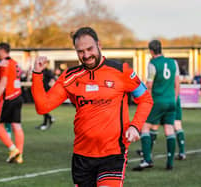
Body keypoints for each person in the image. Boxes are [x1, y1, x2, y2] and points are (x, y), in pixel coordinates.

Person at [32, 27, 153, 187]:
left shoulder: (121, 71)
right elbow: (43, 107)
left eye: (90, 49)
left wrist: (136, 126)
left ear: (99, 45)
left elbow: (145, 98)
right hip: (82, 156)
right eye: (80, 51)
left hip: (113, 153)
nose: (86, 55)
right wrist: (37, 73)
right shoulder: (69, 77)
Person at [133, 40, 180, 171]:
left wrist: (144, 101)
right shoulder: (173, 62)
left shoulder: (152, 64)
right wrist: (174, 99)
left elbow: (149, 85)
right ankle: (170, 162)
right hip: (171, 101)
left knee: (144, 127)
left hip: (158, 101)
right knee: (169, 129)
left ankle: (147, 160)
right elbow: (177, 83)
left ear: (151, 51)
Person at [0, 42, 25, 164]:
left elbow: (3, 82)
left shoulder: (5, 63)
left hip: (8, 97)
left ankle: (13, 149)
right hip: (18, 96)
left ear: (1, 50)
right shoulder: (14, 62)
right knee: (16, 126)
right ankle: (19, 155)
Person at [136, 96, 186, 160]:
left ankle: (147, 154)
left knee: (151, 126)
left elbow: (149, 86)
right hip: (172, 98)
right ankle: (181, 153)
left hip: (159, 99)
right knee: (176, 125)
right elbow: (177, 86)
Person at [35, 66, 55, 130]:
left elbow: (52, 78)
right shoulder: (40, 71)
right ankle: (49, 119)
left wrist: (50, 85)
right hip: (40, 90)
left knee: (42, 107)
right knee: (41, 107)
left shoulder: (47, 71)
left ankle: (45, 123)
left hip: (46, 91)